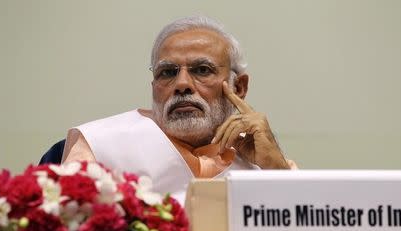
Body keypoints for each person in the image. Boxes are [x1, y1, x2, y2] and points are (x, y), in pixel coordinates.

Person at [62, 16, 296, 201]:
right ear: (154, 86)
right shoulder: (101, 144)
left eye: (202, 70)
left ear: (239, 87)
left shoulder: (261, 157)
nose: (182, 84)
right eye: (168, 72)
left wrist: (276, 169)